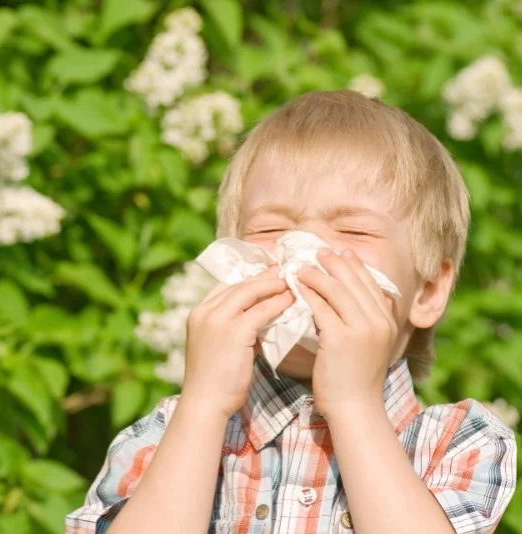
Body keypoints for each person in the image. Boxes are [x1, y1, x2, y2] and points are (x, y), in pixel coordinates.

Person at [65, 90, 517, 534]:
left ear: (428, 292)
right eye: (271, 227)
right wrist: (203, 404)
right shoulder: (168, 434)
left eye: (353, 229)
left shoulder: (458, 442)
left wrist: (353, 404)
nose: (302, 250)